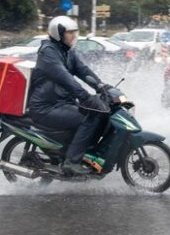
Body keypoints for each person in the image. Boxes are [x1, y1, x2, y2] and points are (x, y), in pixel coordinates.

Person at [27, 16, 109, 175]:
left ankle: (84, 154)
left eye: (74, 32)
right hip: (46, 107)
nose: (74, 36)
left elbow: (83, 70)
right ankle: (71, 162)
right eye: (70, 32)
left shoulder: (67, 51)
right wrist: (86, 97)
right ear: (58, 34)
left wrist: (102, 86)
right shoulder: (48, 53)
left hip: (61, 103)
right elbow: (65, 78)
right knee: (90, 117)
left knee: (102, 113)